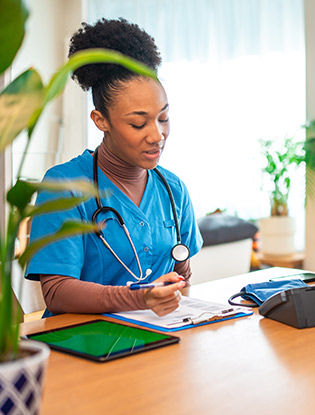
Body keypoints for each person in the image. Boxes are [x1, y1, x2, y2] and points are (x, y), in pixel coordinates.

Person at [25, 18, 202, 317]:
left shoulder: (173, 190)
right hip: (81, 345)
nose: (157, 135)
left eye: (163, 118)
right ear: (100, 120)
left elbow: (182, 274)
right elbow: (56, 292)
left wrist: (173, 290)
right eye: (138, 123)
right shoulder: (64, 185)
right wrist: (139, 298)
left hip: (156, 339)